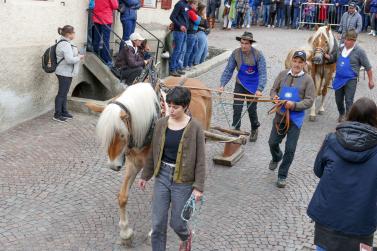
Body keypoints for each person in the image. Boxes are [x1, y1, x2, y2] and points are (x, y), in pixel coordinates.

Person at [138, 86, 206, 251]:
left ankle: (185, 236)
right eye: (169, 105)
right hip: (162, 176)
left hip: (183, 181)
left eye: (176, 107)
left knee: (177, 222)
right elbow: (153, 152)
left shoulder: (195, 127)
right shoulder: (161, 124)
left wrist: (198, 188)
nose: (171, 109)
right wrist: (145, 176)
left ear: (185, 107)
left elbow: (201, 160)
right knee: (157, 223)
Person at [307, 97, 377, 251]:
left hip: (327, 216)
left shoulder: (331, 139)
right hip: (361, 221)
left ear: (350, 115)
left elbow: (318, 170)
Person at [268, 50, 315, 188]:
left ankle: (282, 175)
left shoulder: (308, 80)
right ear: (291, 61)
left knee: (290, 149)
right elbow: (273, 90)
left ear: (304, 64)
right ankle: (276, 156)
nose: (297, 64)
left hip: (295, 120)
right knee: (272, 142)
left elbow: (310, 101)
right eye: (295, 61)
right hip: (280, 116)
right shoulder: (282, 74)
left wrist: (294, 105)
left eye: (300, 62)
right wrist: (274, 98)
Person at [219, 32, 267, 141]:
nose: (243, 46)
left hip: (253, 86)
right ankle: (235, 131)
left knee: (251, 110)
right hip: (240, 83)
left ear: (251, 44)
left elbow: (263, 74)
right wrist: (222, 85)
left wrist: (260, 89)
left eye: (246, 43)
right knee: (237, 107)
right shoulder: (235, 53)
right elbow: (228, 70)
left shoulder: (258, 55)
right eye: (242, 43)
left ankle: (254, 128)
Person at [332, 30, 375, 123]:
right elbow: (332, 58)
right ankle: (341, 113)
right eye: (346, 39)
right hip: (338, 78)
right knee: (338, 100)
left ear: (354, 41)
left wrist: (371, 80)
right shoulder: (340, 49)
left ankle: (348, 119)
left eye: (349, 40)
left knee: (349, 100)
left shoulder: (359, 51)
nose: (346, 41)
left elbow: (368, 67)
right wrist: (325, 56)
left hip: (351, 79)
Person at [54, 25, 84, 122]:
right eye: (73, 32)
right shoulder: (65, 44)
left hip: (66, 72)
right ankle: (57, 114)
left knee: (64, 93)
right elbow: (69, 60)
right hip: (63, 72)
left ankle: (64, 111)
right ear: (68, 34)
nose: (75, 34)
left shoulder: (67, 43)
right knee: (61, 93)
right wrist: (79, 57)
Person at [92, 0, 118, 67]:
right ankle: (106, 59)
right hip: (106, 17)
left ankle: (95, 54)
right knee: (106, 40)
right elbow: (115, 6)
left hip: (97, 16)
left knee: (96, 38)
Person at [169, 0, 192, 77]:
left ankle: (177, 68)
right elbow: (172, 17)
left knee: (181, 50)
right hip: (178, 31)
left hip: (184, 31)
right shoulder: (179, 4)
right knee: (177, 50)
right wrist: (180, 26)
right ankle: (172, 69)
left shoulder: (186, 4)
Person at [183, 0, 201, 71]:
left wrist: (198, 17)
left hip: (194, 33)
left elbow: (199, 20)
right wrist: (198, 18)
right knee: (189, 51)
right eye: (196, 5)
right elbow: (198, 21)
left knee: (195, 50)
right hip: (190, 33)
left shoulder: (193, 12)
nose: (196, 6)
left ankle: (190, 64)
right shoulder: (190, 11)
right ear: (191, 4)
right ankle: (185, 65)